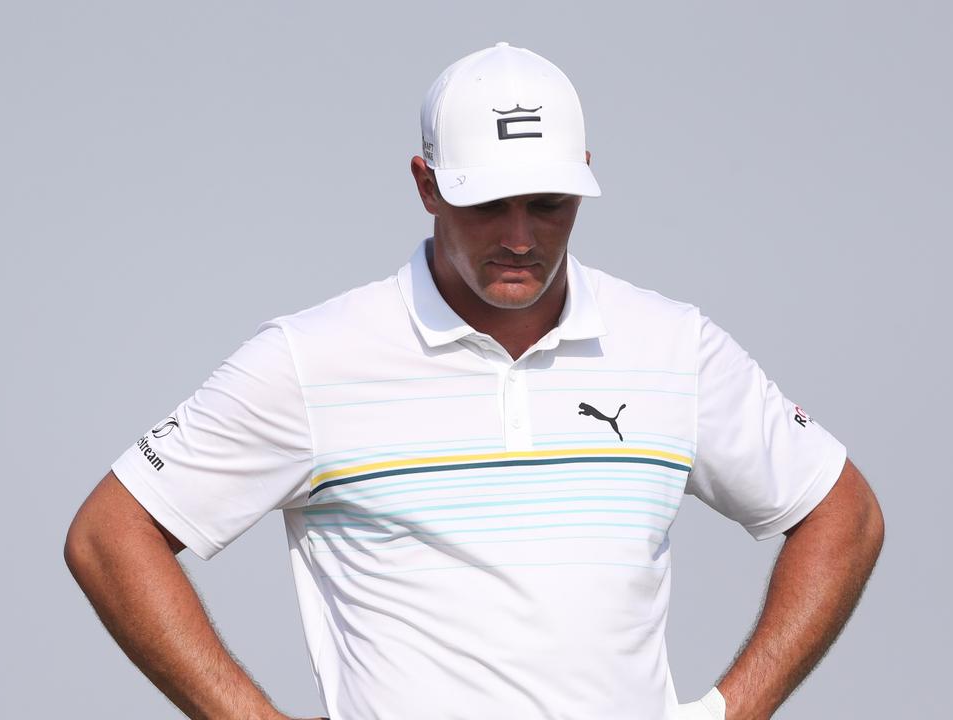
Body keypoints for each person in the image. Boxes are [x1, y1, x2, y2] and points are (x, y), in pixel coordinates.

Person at [64, 41, 885, 720]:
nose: (521, 236)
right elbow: (111, 535)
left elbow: (840, 513)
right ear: (425, 186)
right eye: (488, 203)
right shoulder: (312, 359)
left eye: (550, 202)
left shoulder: (673, 346)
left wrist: (731, 713)